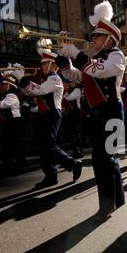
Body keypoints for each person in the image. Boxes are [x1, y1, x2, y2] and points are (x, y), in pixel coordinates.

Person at [57, 0, 125, 220]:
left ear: (109, 39)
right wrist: (63, 55)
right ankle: (117, 198)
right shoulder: (91, 60)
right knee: (106, 157)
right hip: (97, 114)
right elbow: (73, 75)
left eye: (97, 35)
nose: (92, 39)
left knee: (103, 159)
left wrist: (75, 52)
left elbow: (100, 71)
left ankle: (107, 205)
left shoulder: (117, 56)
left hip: (111, 111)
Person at [11, 44, 83, 189]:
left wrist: (23, 79)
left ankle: (73, 164)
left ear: (53, 65)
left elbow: (39, 90)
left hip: (52, 115)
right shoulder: (47, 79)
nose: (42, 66)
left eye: (45, 63)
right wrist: (21, 82)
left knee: (50, 146)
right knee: (43, 147)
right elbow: (30, 93)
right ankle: (50, 175)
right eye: (42, 63)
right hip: (44, 115)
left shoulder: (55, 79)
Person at [0, 72, 26, 167]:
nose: (2, 86)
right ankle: (12, 161)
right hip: (9, 121)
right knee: (9, 142)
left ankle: (16, 161)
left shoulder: (12, 95)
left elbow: (2, 105)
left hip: (13, 121)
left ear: (9, 85)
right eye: (2, 84)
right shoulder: (6, 95)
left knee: (11, 142)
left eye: (4, 84)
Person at [62, 79, 84, 159]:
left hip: (76, 112)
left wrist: (64, 92)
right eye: (70, 82)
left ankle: (79, 151)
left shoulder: (77, 89)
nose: (71, 83)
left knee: (75, 133)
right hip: (71, 113)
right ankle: (76, 151)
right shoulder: (71, 90)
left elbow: (69, 98)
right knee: (71, 134)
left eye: (72, 82)